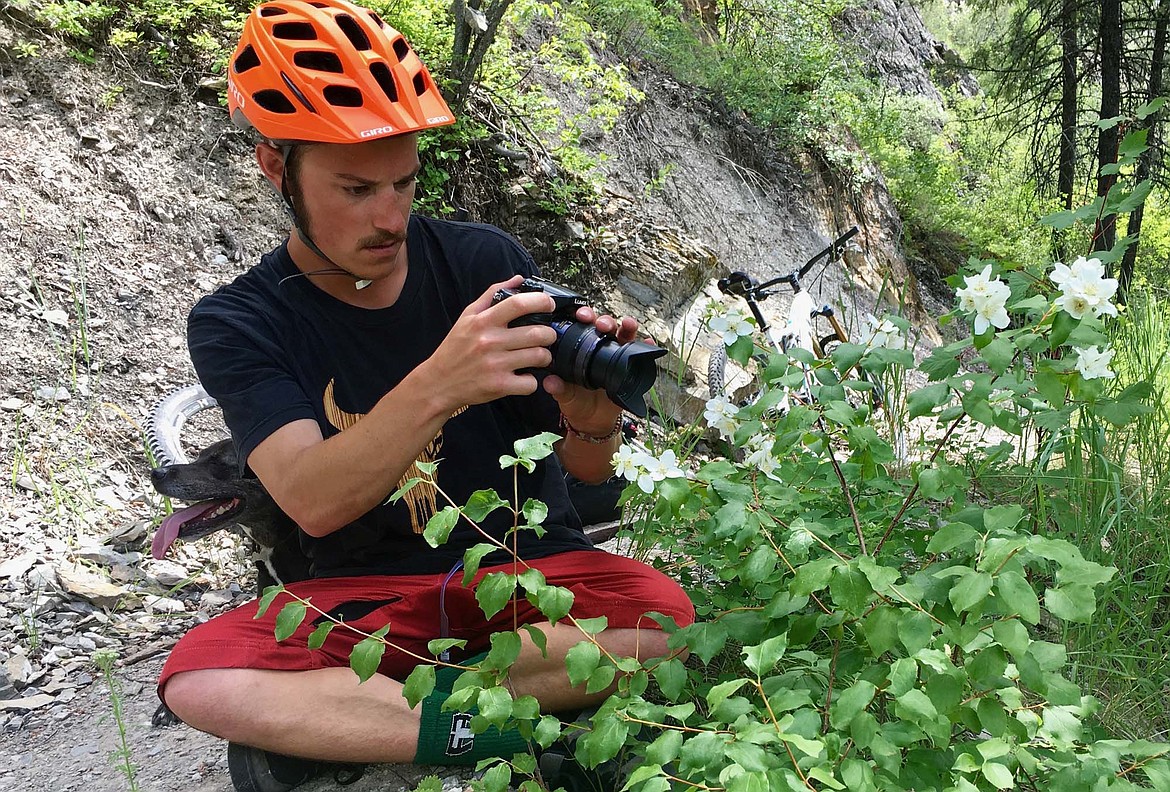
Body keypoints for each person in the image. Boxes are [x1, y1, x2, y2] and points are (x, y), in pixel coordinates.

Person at [156, 2, 696, 790]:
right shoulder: (239, 319)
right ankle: (501, 721)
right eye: (355, 187)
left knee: (668, 619)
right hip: (366, 595)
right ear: (276, 167)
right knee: (199, 680)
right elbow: (312, 500)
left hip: (524, 570)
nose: (391, 215)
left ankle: (385, 721)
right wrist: (442, 380)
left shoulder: (483, 259)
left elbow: (583, 479)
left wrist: (593, 422)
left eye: (405, 182)